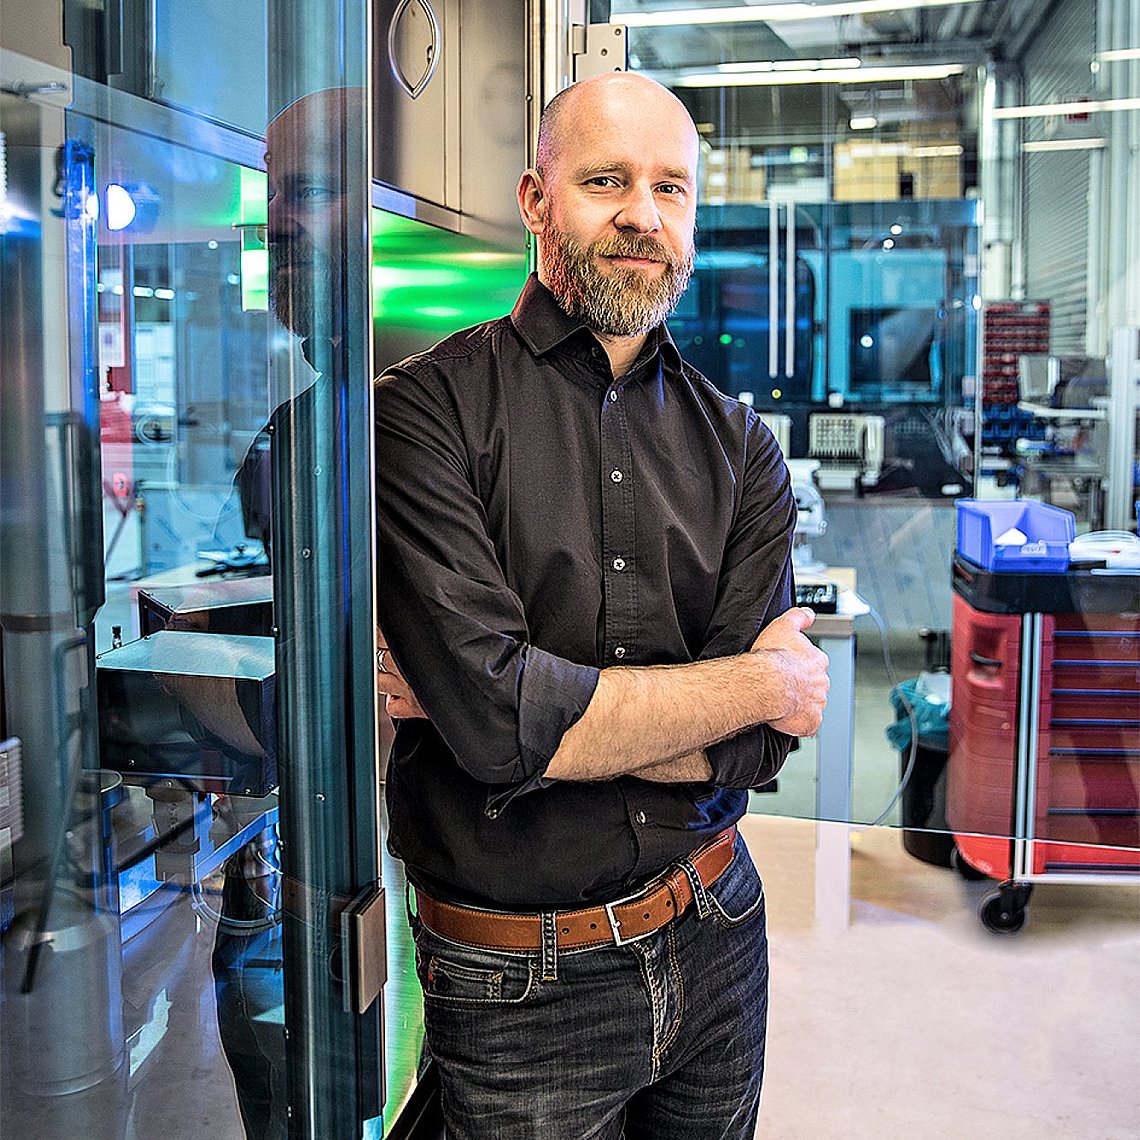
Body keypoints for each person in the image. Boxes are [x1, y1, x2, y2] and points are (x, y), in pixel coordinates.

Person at [374, 72, 829, 1140]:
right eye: (605, 180)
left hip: (717, 924)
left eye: (671, 188)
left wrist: (539, 719)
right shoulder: (422, 417)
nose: (642, 213)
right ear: (536, 201)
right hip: (518, 978)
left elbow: (760, 752)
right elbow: (495, 724)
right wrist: (757, 682)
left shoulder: (741, 446)